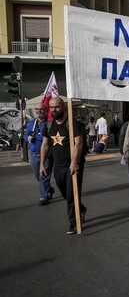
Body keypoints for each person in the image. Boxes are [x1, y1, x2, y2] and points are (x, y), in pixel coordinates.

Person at [40, 97, 87, 235]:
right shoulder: (48, 126)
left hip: (73, 166)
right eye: (52, 107)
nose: (54, 110)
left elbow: (78, 143)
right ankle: (81, 208)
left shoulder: (72, 124)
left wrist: (74, 162)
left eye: (57, 107)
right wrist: (42, 164)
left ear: (63, 107)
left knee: (72, 194)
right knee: (64, 192)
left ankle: (73, 223)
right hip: (58, 166)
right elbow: (45, 145)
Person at [25, 103, 55, 206]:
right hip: (34, 155)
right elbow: (26, 134)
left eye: (42, 109)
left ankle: (43, 197)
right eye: (37, 109)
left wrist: (37, 136)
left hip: (47, 156)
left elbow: (49, 138)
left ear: (46, 110)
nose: (39, 111)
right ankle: (49, 189)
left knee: (43, 177)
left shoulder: (50, 123)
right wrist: (27, 138)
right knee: (38, 177)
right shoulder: (32, 123)